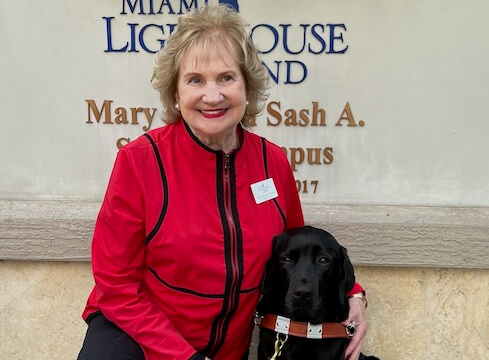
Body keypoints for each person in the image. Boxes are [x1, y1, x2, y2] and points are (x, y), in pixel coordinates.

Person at [77, 4, 367, 360]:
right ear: (175, 91)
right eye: (195, 79)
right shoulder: (139, 162)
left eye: (226, 78)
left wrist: (354, 292)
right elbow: (117, 286)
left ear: (247, 86)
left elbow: (298, 247)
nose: (212, 96)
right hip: (139, 336)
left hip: (230, 347)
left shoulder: (272, 161)